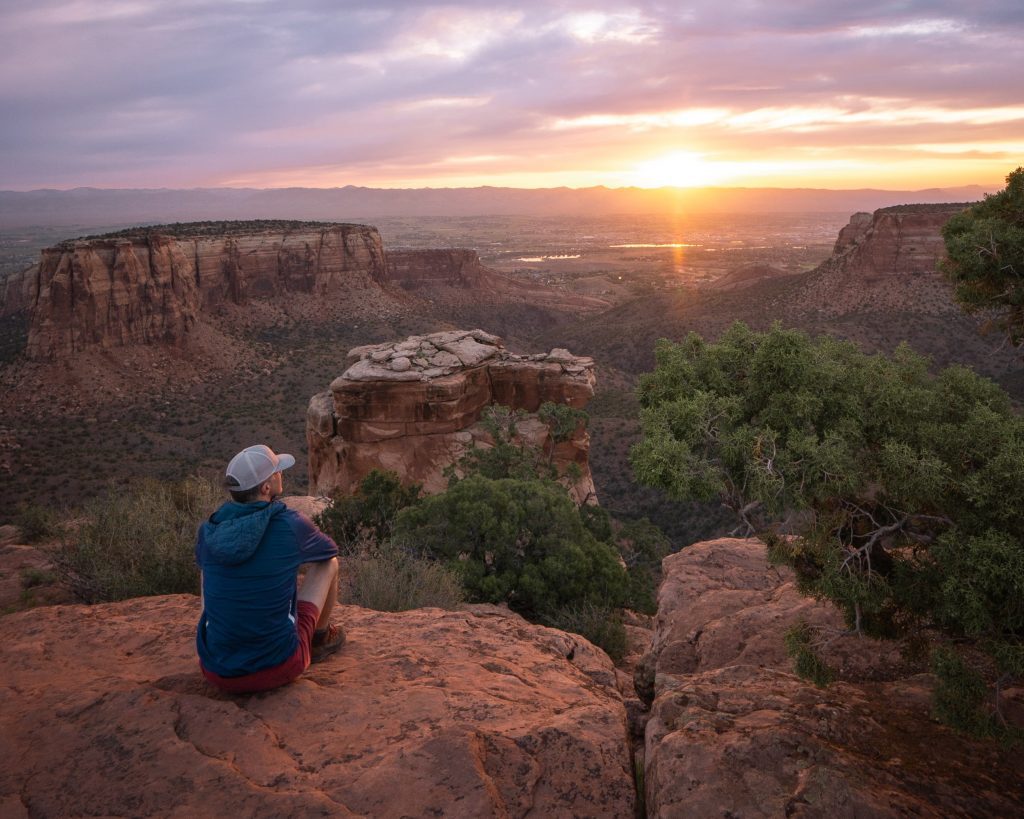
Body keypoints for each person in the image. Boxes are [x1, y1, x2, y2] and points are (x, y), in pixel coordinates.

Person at [195, 444, 344, 693]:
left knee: (207, 565)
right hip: (279, 666)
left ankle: (223, 629)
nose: (281, 474)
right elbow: (328, 551)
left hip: (217, 671)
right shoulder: (290, 524)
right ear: (266, 487)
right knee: (330, 564)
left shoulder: (209, 529)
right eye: (277, 472)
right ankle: (319, 639)